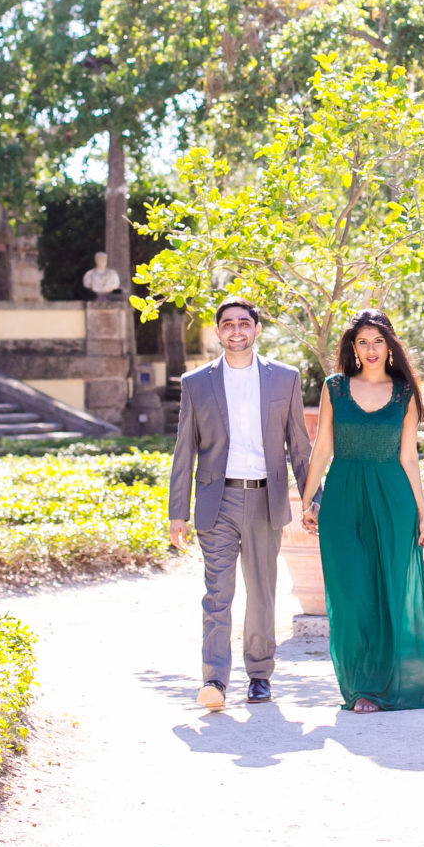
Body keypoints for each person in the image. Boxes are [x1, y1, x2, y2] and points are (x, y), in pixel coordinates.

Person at [299, 309, 424, 712]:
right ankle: (362, 686)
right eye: (362, 342)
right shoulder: (335, 387)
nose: (370, 350)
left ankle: (392, 683)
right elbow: (322, 448)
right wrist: (307, 499)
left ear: (390, 347)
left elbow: (409, 457)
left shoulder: (405, 392)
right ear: (353, 348)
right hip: (343, 497)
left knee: (392, 588)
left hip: (392, 497)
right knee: (351, 593)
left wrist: (423, 514)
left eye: (378, 341)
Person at [168, 297, 312, 711]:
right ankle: (214, 679)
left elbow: (299, 447)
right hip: (218, 498)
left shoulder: (284, 379)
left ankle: (260, 675)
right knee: (218, 592)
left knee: (263, 592)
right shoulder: (196, 383)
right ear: (218, 332)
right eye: (227, 324)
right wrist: (177, 512)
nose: (236, 330)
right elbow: (184, 451)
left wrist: (310, 500)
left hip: (267, 497)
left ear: (256, 330)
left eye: (243, 323)